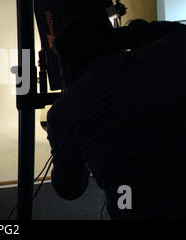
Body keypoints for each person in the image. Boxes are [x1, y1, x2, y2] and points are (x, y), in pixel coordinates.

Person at [46, 17, 186, 219]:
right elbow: (178, 31)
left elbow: (69, 188)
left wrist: (63, 144)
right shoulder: (161, 58)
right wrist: (125, 35)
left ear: (67, 63)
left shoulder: (66, 109)